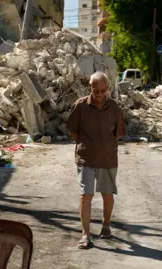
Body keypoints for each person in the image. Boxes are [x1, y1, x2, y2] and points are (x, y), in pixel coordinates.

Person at [66, 71, 126, 249]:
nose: (99, 94)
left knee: (107, 194)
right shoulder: (81, 106)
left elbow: (119, 133)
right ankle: (85, 234)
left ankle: (106, 225)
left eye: (102, 90)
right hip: (86, 158)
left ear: (107, 89)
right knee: (86, 195)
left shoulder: (114, 108)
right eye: (95, 90)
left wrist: (104, 144)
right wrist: (86, 144)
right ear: (90, 88)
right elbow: (73, 131)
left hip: (107, 158)